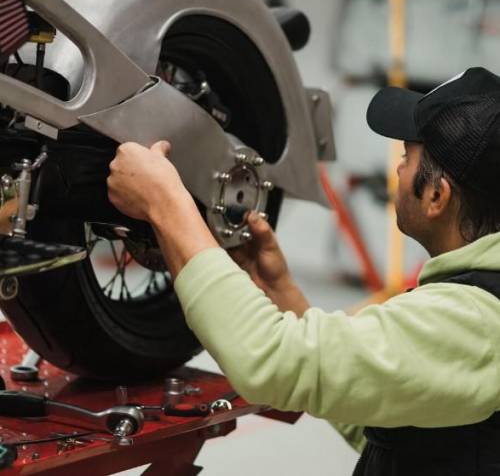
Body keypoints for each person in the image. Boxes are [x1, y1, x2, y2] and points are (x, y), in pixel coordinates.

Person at [107, 66, 500, 475]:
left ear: (436, 196)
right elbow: (402, 433)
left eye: (406, 157)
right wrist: (279, 292)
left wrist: (164, 202)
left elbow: (270, 363)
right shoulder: (478, 307)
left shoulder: (476, 323)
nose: (398, 170)